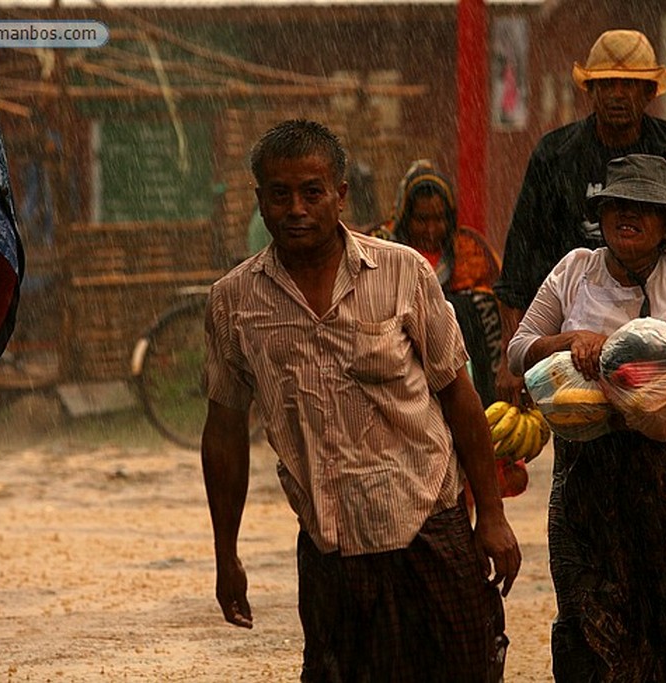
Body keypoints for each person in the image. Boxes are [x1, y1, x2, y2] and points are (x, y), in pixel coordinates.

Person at [200, 119, 521, 682]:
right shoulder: (234, 302)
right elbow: (224, 431)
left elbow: (459, 396)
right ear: (260, 202)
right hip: (331, 549)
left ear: (341, 195)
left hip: (430, 529)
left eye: (312, 192)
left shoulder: (402, 273)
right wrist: (226, 555)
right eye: (280, 194)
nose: (296, 208)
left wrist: (491, 514)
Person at [508, 154, 666, 681]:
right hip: (588, 477)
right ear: (602, 213)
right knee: (589, 613)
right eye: (618, 204)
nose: (627, 215)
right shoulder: (574, 271)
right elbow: (518, 352)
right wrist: (570, 341)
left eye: (644, 207)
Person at [494, 28, 666, 403]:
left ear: (650, 92)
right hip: (574, 340)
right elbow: (521, 259)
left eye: (628, 84)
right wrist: (511, 355)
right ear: (591, 91)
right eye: (606, 84)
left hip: (660, 330)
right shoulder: (556, 155)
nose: (617, 94)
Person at [372, 160, 503, 407]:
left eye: (439, 219)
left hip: (462, 369)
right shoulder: (383, 249)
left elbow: (491, 305)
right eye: (421, 220)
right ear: (404, 217)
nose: (431, 229)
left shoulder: (470, 249)